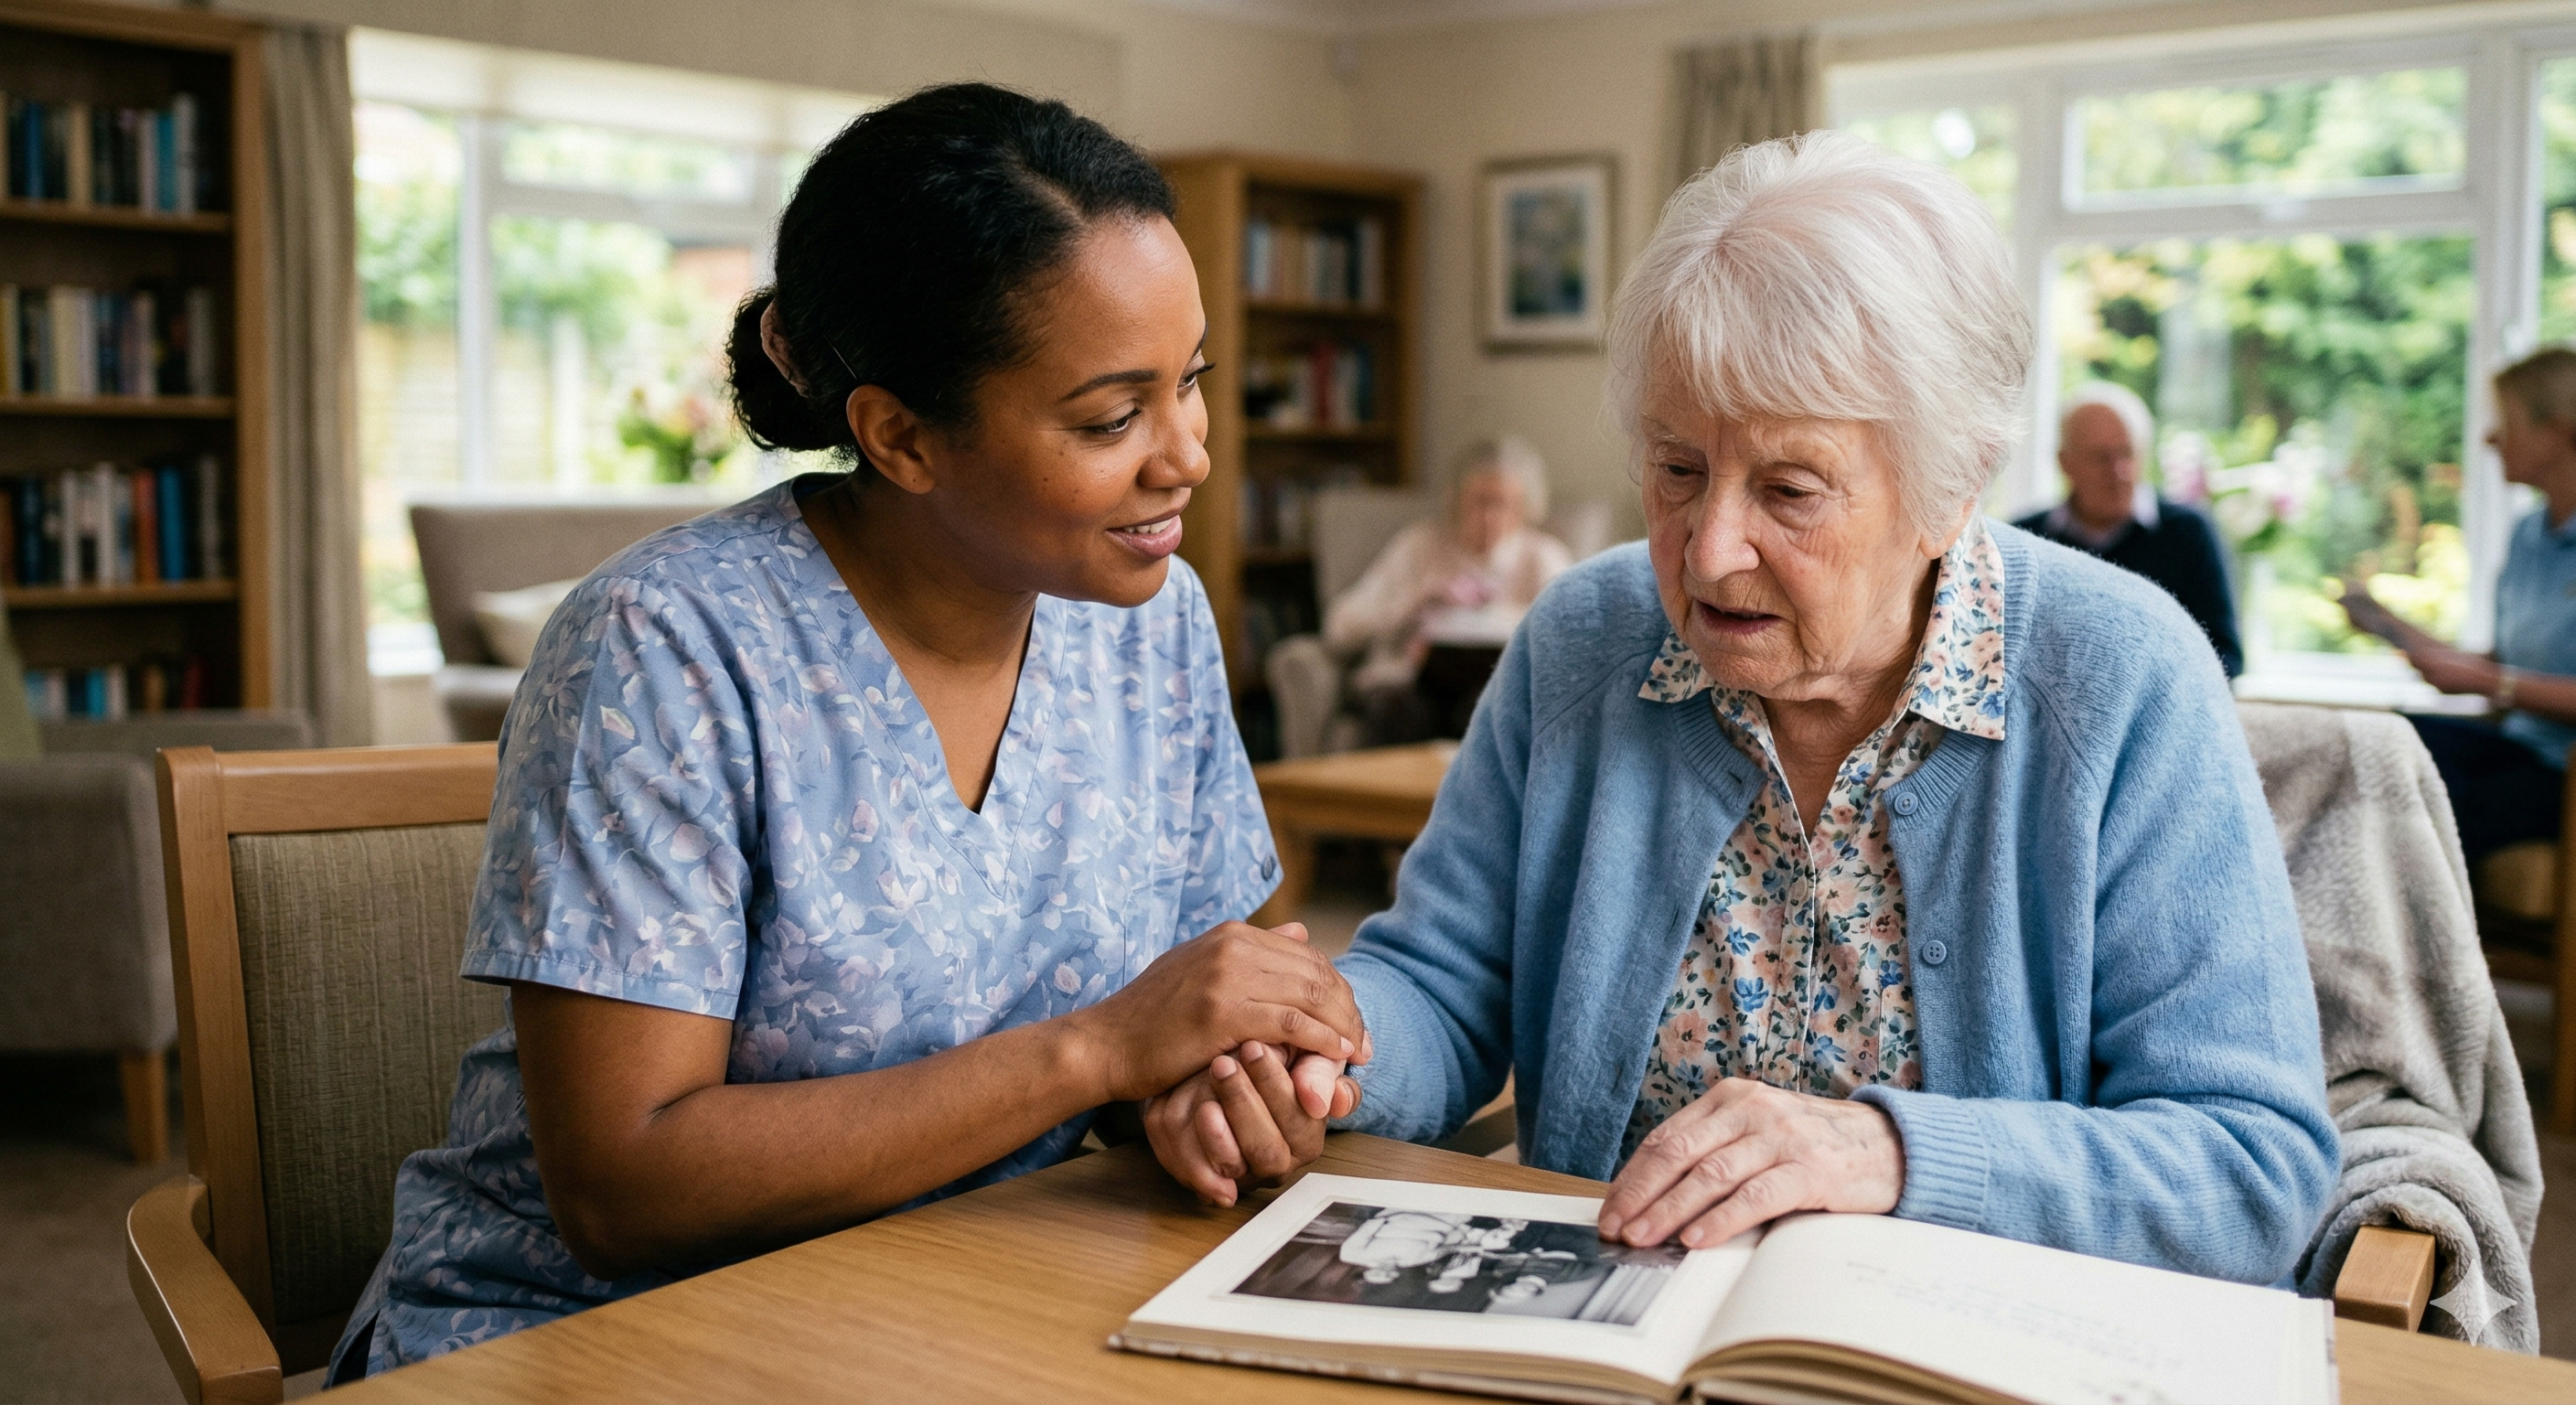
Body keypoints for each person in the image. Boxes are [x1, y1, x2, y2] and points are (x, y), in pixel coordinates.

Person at [1146, 130, 2337, 1286]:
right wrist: (1321, 1051)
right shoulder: (1584, 640)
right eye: (1676, 470)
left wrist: (1882, 1155)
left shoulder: (2122, 676)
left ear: (1948, 491)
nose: (1711, 554)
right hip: (1599, 1331)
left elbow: (2251, 1169)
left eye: (1790, 488)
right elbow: (1449, 986)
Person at [328, 84, 1370, 1380]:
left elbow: (1199, 1001)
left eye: (1193, 384)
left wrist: (1223, 1082)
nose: (1189, 456)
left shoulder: (1151, 621)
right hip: (588, 1338)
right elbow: (622, 1189)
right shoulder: (663, 647)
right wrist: (1096, 1049)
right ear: (899, 435)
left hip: (985, 1295)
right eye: (1113, 417)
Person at [2344, 346, 2576, 865]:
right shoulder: (2528, 536)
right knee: (2386, 741)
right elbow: (2502, 664)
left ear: (2557, 432)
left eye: (2506, 423)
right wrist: (2387, 624)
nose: (2490, 439)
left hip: (2564, 774)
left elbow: (2498, 680)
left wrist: (2493, 685)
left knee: (2419, 791)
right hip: (2516, 750)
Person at [1324, 436, 1572, 742]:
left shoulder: (1543, 557)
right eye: (1479, 502)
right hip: (1409, 685)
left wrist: (1499, 620)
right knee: (1395, 709)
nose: (1489, 518)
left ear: (1525, 508)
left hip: (1496, 688)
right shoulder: (1418, 545)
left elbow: (1572, 637)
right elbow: (1339, 627)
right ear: (1455, 500)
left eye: (1503, 504)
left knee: (1489, 708)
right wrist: (1416, 601)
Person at [2013, 382, 2244, 677]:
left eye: (2127, 454)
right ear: (2065, 463)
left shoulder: (2188, 533)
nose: (2118, 472)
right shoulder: (2026, 541)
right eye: (2102, 458)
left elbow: (2225, 655)